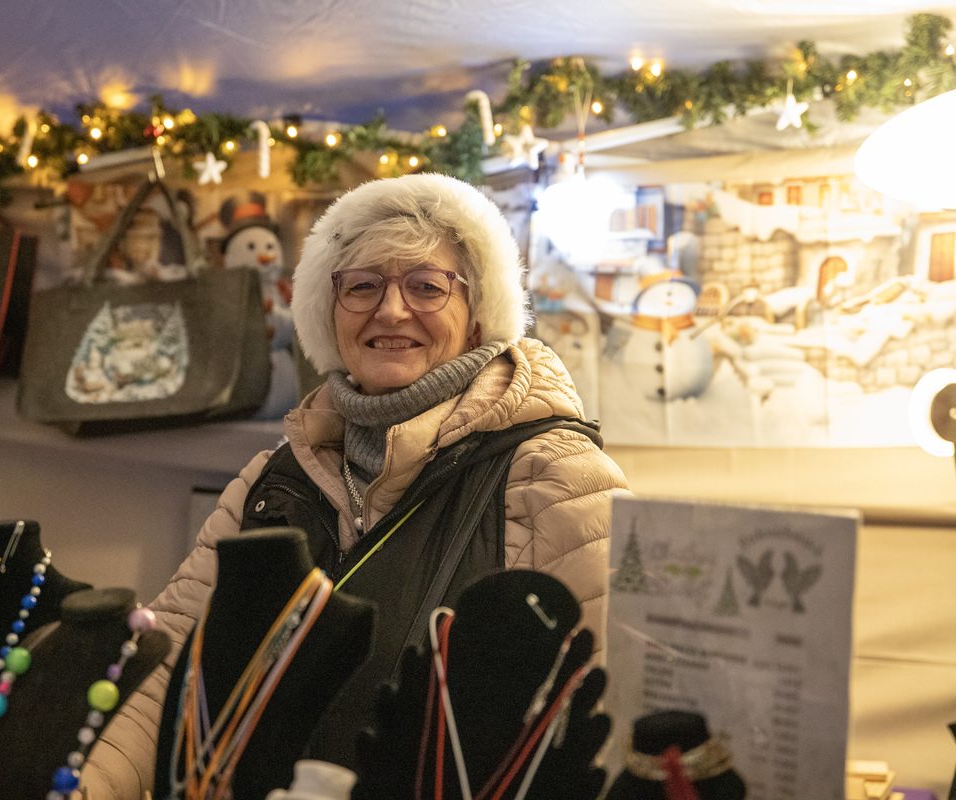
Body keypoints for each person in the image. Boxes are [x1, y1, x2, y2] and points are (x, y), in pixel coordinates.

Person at [78, 173, 629, 798]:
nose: (390, 310)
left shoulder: (556, 477)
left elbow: (607, 720)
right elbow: (170, 669)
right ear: (330, 313)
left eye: (427, 286)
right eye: (363, 286)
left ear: (479, 318)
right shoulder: (272, 480)